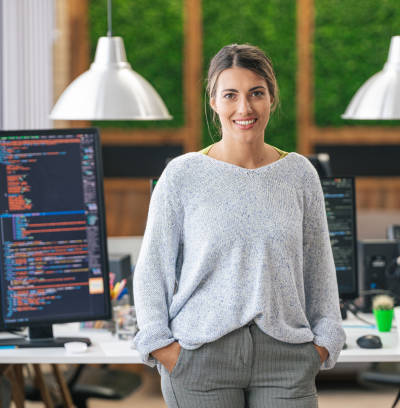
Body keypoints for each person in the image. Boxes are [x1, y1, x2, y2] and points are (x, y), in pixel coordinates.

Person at [133, 43, 345, 408]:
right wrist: (161, 346)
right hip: (200, 356)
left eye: (256, 94)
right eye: (230, 95)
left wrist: (324, 344)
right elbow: (152, 269)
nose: (244, 108)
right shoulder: (183, 175)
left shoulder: (299, 175)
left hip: (287, 358)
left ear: (271, 99)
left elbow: (319, 269)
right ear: (214, 101)